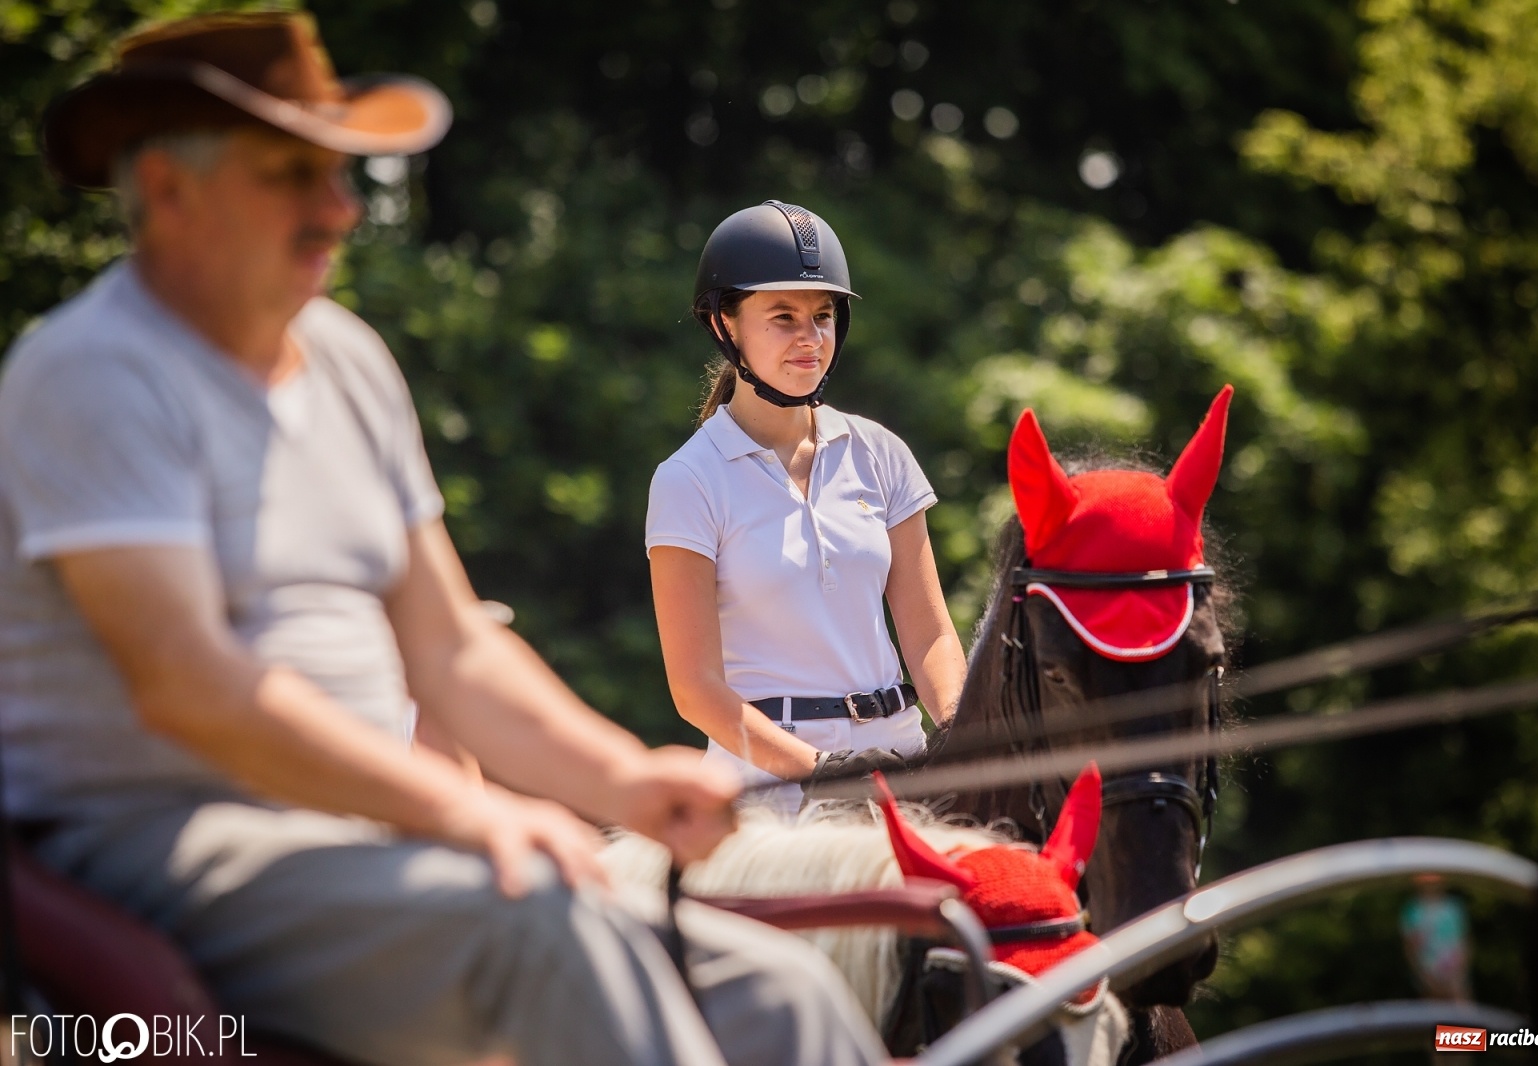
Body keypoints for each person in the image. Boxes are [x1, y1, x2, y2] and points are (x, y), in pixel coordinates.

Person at [0, 14, 885, 1066]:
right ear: (165, 191)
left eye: (339, 174)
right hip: (168, 848)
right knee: (544, 932)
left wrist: (624, 782)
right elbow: (192, 685)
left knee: (778, 991)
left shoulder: (346, 362)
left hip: (357, 845)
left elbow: (453, 648)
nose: (337, 209)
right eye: (292, 174)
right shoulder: (93, 372)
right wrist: (465, 816)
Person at [645, 201, 967, 816]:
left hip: (901, 764)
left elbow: (928, 634)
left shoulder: (881, 453)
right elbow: (695, 689)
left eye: (822, 316)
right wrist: (820, 772)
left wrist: (955, 732)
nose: (810, 338)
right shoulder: (689, 480)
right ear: (724, 325)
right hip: (769, 787)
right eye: (783, 317)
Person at [1400, 874, 1472, 1001]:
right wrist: (1423, 976)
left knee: (1460, 1013)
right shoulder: (1412, 910)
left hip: (1455, 974)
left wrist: (1459, 975)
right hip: (1426, 973)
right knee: (1433, 1013)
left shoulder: (1454, 907)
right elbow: (1410, 948)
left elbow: (1464, 942)